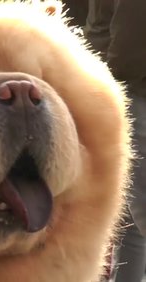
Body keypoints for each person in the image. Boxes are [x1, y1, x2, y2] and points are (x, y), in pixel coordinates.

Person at [85, 0, 146, 281]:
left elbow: (130, 40)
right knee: (129, 216)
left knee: (138, 207)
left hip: (127, 90)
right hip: (120, 84)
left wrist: (107, 78)